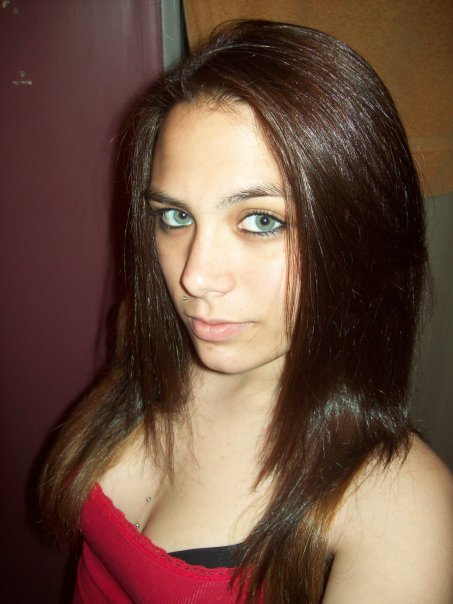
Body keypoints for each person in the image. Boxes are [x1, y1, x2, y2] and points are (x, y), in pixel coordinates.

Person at [39, 20, 453, 603]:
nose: (195, 277)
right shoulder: (143, 330)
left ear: (361, 235)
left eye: (262, 220)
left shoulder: (400, 506)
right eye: (175, 216)